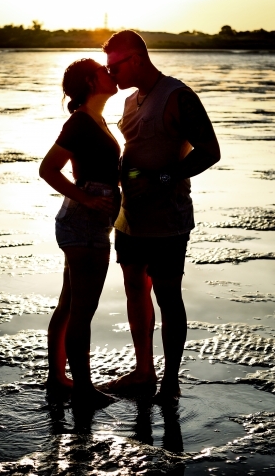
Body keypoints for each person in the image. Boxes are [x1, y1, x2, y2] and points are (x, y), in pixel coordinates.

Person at [102, 31, 221, 404]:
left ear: (136, 58)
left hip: (167, 218)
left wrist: (165, 178)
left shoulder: (178, 96)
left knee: (168, 296)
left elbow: (210, 150)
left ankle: (170, 381)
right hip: (130, 216)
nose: (111, 74)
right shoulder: (130, 101)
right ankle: (143, 371)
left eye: (114, 66)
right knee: (135, 289)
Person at [39, 58, 121, 407]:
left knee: (69, 304)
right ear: (90, 81)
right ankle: (83, 390)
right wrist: (87, 198)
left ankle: (58, 379)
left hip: (89, 222)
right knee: (82, 309)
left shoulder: (97, 120)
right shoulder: (81, 123)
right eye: (104, 71)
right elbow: (48, 169)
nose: (111, 73)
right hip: (83, 223)